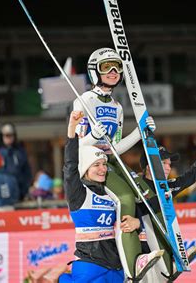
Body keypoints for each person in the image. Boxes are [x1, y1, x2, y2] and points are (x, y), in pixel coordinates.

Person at [73, 47, 161, 280]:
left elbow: (115, 147)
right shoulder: (83, 101)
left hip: (109, 158)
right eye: (106, 67)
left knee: (148, 192)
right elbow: (77, 144)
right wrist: (92, 137)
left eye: (117, 67)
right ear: (94, 72)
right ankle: (133, 266)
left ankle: (165, 256)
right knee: (124, 198)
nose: (113, 71)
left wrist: (139, 133)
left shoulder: (117, 107)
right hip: (91, 163)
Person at [60, 111, 161, 282]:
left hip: (116, 266)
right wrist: (72, 129)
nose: (102, 169)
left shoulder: (110, 194)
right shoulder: (79, 193)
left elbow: (138, 208)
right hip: (90, 265)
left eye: (104, 164)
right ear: (85, 168)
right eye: (96, 165)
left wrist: (138, 222)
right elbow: (70, 166)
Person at [136, 127, 196, 280]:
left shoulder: (167, 186)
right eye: (164, 163)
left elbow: (194, 173)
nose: (169, 167)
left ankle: (172, 262)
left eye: (169, 163)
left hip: (161, 249)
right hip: (141, 250)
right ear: (149, 166)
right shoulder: (135, 184)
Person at [0, 123, 32, 200]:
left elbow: (27, 171)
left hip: (20, 191)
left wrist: (25, 188)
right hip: (4, 192)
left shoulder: (20, 152)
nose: (8, 138)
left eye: (10, 135)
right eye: (6, 135)